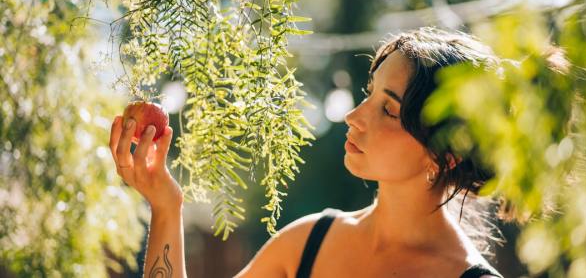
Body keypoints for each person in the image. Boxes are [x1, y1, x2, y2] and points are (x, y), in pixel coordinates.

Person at [109, 27, 505, 277]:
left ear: (445, 155)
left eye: (388, 109)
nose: (353, 116)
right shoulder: (309, 242)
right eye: (369, 95)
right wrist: (165, 205)